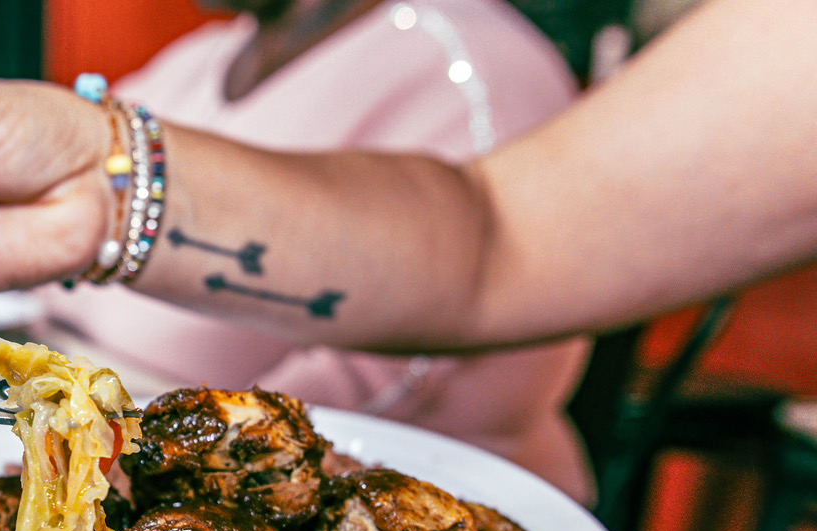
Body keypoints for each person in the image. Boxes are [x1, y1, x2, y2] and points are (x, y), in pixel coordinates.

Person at [0, 0, 817, 437]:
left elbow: (468, 361)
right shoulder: (198, 55)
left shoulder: (466, 55)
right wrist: (96, 187)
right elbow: (494, 236)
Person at [30, 0, 593, 502]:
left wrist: (158, 451)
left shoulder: (472, 63)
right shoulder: (198, 59)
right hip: (123, 449)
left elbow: (412, 366)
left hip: (401, 517)